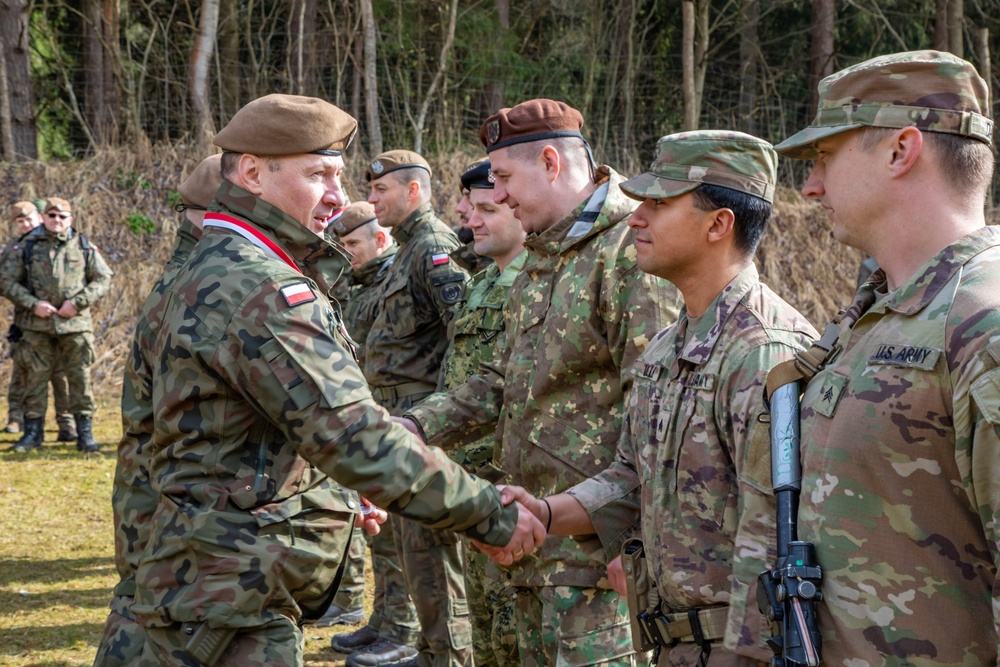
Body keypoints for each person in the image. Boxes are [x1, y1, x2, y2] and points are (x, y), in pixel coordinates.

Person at [130, 94, 543, 667]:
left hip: (205, 581)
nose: (338, 197)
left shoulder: (213, 266)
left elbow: (244, 432)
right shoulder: (261, 288)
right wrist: (490, 513)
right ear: (252, 171)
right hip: (229, 597)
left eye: (339, 176)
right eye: (318, 174)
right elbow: (351, 435)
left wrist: (336, 493)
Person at [501, 130, 818, 666]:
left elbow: (774, 537)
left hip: (742, 650)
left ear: (719, 224)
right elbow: (629, 477)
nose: (635, 217)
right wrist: (545, 513)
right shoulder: (669, 347)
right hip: (674, 643)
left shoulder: (766, 355)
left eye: (658, 203)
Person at [401, 99, 681, 666]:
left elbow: (655, 410)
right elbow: (503, 379)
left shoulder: (630, 248)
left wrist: (636, 539)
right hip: (532, 543)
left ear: (551, 162)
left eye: (503, 178)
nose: (496, 196)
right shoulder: (541, 255)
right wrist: (411, 425)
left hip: (596, 559)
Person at [774, 50, 1000, 666]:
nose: (810, 186)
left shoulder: (982, 320)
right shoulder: (877, 317)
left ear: (902, 150)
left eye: (824, 158)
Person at [92, 153, 220, 667]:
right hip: (163, 488)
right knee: (151, 615)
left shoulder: (185, 271)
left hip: (150, 480)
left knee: (143, 606)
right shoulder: (198, 281)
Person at [347, 149, 471, 667]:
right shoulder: (407, 249)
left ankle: (450, 655)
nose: (372, 201)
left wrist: (439, 422)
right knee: (411, 549)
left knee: (434, 552)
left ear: (413, 191)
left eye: (380, 192)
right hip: (401, 420)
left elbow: (463, 339)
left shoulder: (434, 248)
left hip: (428, 425)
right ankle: (429, 647)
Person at [433, 159, 525, 667]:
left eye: (487, 207)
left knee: (513, 638)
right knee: (486, 636)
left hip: (513, 490)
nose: (470, 217)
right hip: (473, 486)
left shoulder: (535, 285)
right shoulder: (486, 280)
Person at [316, 201, 397, 630]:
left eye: (353, 243)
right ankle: (360, 607)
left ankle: (387, 621)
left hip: (390, 414)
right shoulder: (356, 282)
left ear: (380, 239)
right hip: (356, 410)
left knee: (383, 527)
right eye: (340, 243)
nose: (346, 252)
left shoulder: (397, 276)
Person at [0, 196, 113, 453]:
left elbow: (103, 278)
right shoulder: (27, 246)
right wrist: (32, 303)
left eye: (62, 217)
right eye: (52, 216)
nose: (57, 220)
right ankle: (33, 432)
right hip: (36, 327)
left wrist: (78, 302)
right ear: (44, 218)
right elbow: (6, 281)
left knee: (79, 379)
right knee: (34, 380)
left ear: (70, 219)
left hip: (74, 326)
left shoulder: (83, 244)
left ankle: (84, 432)